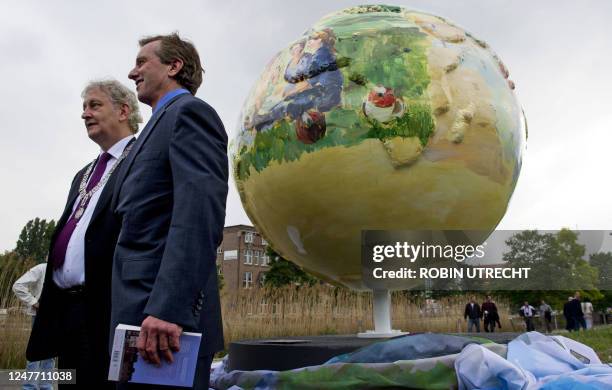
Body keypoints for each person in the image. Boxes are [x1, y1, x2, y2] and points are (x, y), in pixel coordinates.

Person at [112, 33, 228, 389]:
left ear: (174, 67)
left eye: (142, 62)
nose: (132, 73)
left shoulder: (190, 114)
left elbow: (198, 213)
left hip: (162, 324)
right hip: (137, 314)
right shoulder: (154, 126)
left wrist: (169, 308)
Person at [26, 79, 141, 389]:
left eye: (94, 105)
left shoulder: (141, 161)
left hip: (105, 310)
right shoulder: (86, 172)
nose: (85, 114)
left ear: (123, 111)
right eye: (83, 107)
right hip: (66, 311)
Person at [13, 262, 54, 390]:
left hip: (57, 317)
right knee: (35, 352)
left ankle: (46, 387)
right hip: (40, 317)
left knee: (50, 354)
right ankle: (29, 387)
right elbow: (18, 286)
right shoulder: (42, 268)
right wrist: (34, 302)